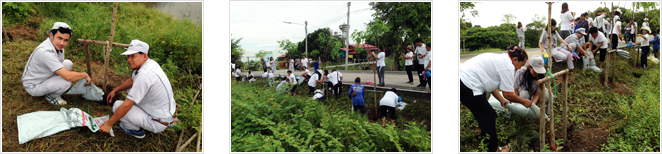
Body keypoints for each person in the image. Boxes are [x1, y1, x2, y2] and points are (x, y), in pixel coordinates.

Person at [460, 45, 532, 152]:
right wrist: (524, 101)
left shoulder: (502, 59)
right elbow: (508, 94)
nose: (519, 68)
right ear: (515, 59)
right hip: (468, 84)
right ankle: (493, 150)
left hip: (464, 80)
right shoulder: (508, 66)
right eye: (521, 65)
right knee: (488, 115)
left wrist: (501, 100)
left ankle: (486, 142)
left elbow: (490, 84)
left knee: (483, 115)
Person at [100, 40, 177, 139]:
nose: (129, 59)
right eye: (128, 56)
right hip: (164, 112)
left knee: (117, 106)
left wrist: (108, 124)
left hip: (157, 122)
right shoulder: (150, 65)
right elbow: (132, 80)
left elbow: (127, 106)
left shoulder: (144, 76)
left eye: (133, 56)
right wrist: (115, 90)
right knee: (128, 103)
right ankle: (166, 120)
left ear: (144, 56)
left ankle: (135, 130)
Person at [22, 22, 93, 105]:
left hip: (43, 76)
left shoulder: (57, 46)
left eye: (66, 40)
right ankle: (51, 96)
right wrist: (84, 75)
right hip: (34, 86)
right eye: (59, 38)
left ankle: (53, 86)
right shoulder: (45, 52)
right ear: (51, 35)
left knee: (68, 64)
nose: (62, 43)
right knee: (66, 82)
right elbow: (68, 77)